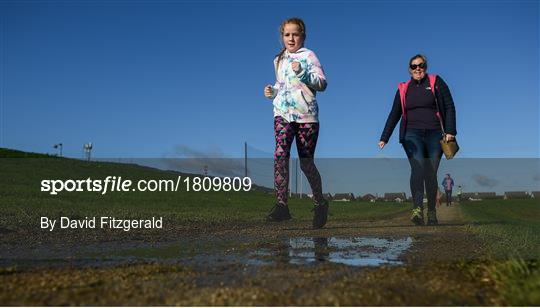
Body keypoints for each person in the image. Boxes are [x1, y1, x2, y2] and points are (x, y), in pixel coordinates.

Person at [263, 17, 329, 229]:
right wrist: (272, 92)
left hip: (306, 116)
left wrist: (302, 71)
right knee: (280, 153)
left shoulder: (309, 56)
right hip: (282, 113)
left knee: (306, 163)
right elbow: (281, 85)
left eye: (295, 34)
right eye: (287, 34)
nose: (291, 38)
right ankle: (282, 206)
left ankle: (320, 203)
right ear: (282, 37)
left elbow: (322, 84)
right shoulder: (278, 59)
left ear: (303, 36)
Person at [379, 54, 457, 226]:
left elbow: (450, 105)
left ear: (426, 66)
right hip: (411, 134)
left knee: (430, 172)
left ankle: (431, 211)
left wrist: (450, 131)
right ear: (409, 69)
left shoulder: (436, 82)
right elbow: (394, 114)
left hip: (435, 134)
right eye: (414, 66)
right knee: (418, 167)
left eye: (420, 65)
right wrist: (385, 136)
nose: (417, 68)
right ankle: (416, 209)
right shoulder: (403, 88)